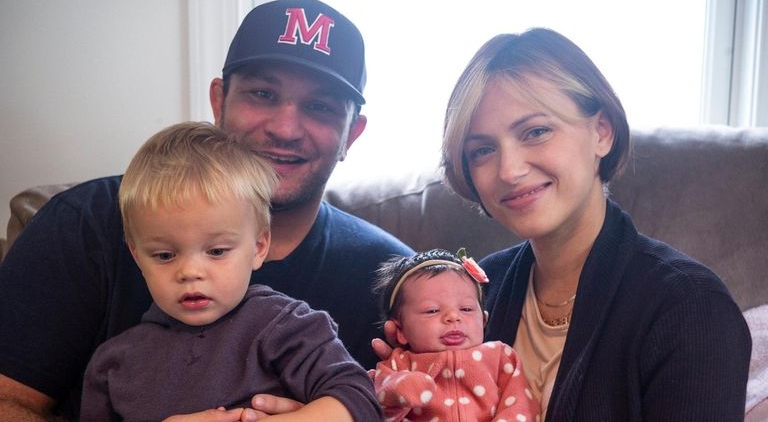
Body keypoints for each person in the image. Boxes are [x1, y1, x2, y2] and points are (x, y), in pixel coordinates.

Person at [0, 0, 412, 421]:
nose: (285, 128)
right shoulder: (83, 224)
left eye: (320, 106)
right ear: (219, 101)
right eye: (263, 93)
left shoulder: (391, 277)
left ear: (352, 134)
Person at [437, 27, 752, 420]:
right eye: (482, 150)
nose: (510, 170)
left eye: (536, 131)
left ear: (602, 132)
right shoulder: (475, 291)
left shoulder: (690, 309)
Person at [78, 121, 382, 422]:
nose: (190, 271)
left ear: (259, 246)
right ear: (137, 256)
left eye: (216, 251)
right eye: (165, 255)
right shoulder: (113, 363)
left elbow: (359, 400)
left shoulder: (285, 326)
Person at [369, 248, 539, 422]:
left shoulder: (500, 357)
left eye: (466, 309)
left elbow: (521, 405)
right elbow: (373, 407)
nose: (453, 316)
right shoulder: (398, 364)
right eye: (432, 310)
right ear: (400, 331)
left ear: (484, 320)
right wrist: (398, 390)